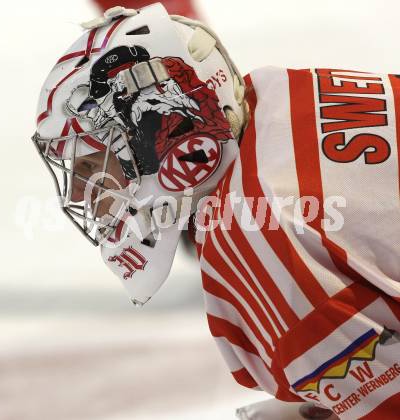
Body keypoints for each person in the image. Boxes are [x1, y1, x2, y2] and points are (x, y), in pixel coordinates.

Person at [31, 3, 400, 419]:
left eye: (91, 166)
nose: (83, 194)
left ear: (158, 131)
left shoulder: (257, 239)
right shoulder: (287, 91)